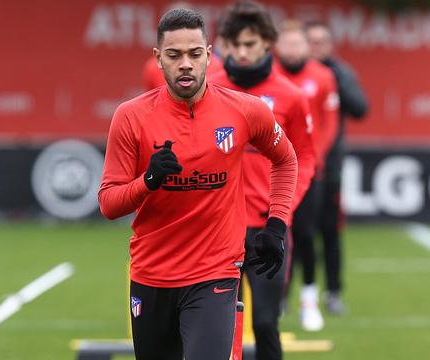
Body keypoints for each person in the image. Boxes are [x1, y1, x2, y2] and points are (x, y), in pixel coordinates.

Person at [98, 8, 298, 360]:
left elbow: (286, 159)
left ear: (209, 54)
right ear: (158, 59)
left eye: (194, 54)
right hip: (152, 275)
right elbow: (109, 204)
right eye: (174, 55)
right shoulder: (130, 117)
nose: (185, 64)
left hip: (215, 273)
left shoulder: (246, 110)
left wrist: (277, 224)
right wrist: (148, 180)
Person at [210, 2, 316, 358]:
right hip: (217, 228)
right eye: (235, 44)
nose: (241, 52)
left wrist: (281, 212)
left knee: (267, 323)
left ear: (267, 43)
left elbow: (304, 157)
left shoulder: (291, 96)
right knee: (215, 325)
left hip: (266, 230)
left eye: (250, 44)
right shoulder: (208, 89)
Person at [274, 19, 340, 332]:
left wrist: (314, 158)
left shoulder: (323, 76)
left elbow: (329, 123)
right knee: (273, 234)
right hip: (273, 171)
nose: (292, 50)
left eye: (297, 44)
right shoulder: (269, 77)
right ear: (277, 47)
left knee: (305, 234)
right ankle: (278, 298)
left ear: (306, 47)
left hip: (309, 171)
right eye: (286, 44)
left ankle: (309, 301)